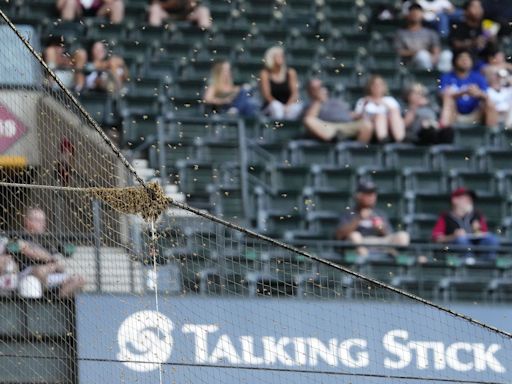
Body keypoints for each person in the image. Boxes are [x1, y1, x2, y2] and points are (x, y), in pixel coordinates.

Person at [14, 208, 85, 298]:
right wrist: (50, 259)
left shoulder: (46, 240)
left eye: (43, 221)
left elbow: (59, 265)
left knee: (79, 279)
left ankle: (57, 301)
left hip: (49, 273)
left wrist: (52, 265)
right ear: (28, 221)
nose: (43, 224)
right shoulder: (19, 236)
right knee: (41, 271)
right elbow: (29, 251)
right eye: (38, 220)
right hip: (27, 273)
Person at [336, 181, 410, 258]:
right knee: (354, 235)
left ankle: (395, 257)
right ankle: (366, 262)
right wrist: (359, 218)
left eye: (373, 194)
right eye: (368, 194)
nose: (372, 197)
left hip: (379, 243)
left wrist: (381, 228)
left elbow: (388, 234)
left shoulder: (379, 213)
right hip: (361, 242)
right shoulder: (349, 213)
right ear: (359, 196)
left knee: (403, 236)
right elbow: (339, 235)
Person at [432, 187, 499, 262]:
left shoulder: (477, 215)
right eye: (465, 199)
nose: (469, 201)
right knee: (461, 239)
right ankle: (469, 263)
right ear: (455, 200)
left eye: (470, 199)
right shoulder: (445, 217)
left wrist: (477, 230)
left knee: (491, 239)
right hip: (453, 249)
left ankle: (488, 264)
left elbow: (484, 234)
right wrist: (453, 236)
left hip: (475, 247)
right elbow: (437, 239)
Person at [303, 78, 372, 143]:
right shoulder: (309, 104)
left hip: (347, 125)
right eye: (315, 88)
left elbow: (349, 114)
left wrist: (360, 115)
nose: (319, 90)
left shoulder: (336, 101)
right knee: (308, 120)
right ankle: (334, 141)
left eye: (320, 86)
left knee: (367, 124)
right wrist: (318, 100)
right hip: (327, 127)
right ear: (309, 91)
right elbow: (310, 118)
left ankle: (356, 152)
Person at [439, 50, 497, 127]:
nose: (464, 61)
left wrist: (477, 93)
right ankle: (445, 133)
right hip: (454, 113)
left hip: (476, 114)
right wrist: (463, 92)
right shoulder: (447, 77)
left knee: (489, 102)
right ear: (455, 61)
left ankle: (492, 135)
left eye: (467, 59)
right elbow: (442, 95)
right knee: (448, 99)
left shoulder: (478, 77)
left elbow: (486, 95)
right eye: (462, 58)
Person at [395, 3, 448, 71]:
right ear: (408, 15)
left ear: (422, 15)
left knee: (447, 55)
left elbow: (436, 49)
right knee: (422, 55)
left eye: (417, 12)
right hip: (411, 62)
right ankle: (427, 78)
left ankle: (443, 79)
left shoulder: (430, 32)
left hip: (430, 60)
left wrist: (434, 57)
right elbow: (399, 51)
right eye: (413, 12)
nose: (415, 14)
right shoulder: (400, 33)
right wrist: (417, 52)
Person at [354, 75, 406, 143]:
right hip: (370, 124)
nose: (377, 87)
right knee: (380, 116)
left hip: (390, 124)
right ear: (370, 87)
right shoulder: (363, 100)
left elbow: (397, 114)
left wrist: (382, 103)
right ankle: (383, 139)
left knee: (393, 113)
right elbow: (357, 116)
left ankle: (400, 140)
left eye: (380, 85)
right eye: (374, 85)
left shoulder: (390, 100)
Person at [260, 46, 303, 121]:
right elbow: (266, 95)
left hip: (288, 104)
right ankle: (278, 129)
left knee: (296, 108)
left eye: (282, 56)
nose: (281, 57)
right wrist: (280, 106)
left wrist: (287, 106)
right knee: (276, 107)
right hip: (271, 105)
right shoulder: (265, 73)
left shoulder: (290, 72)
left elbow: (295, 93)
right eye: (278, 56)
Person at [57, 0, 125, 24]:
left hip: (98, 12)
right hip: (78, 11)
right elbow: (59, 5)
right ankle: (67, 33)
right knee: (70, 2)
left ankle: (114, 35)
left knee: (118, 5)